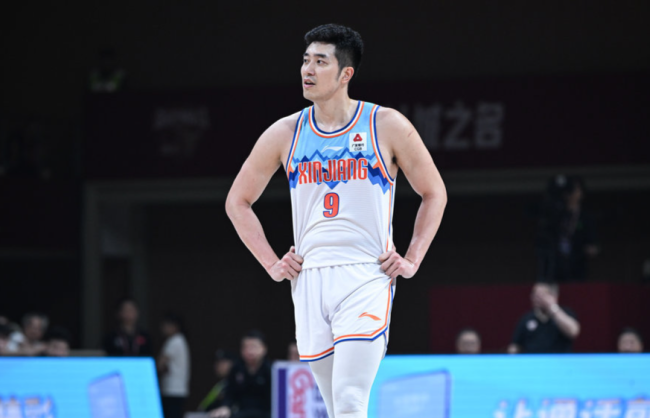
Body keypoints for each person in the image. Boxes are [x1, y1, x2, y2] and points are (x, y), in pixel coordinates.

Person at [225, 24, 447, 418]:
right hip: (309, 278)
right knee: (335, 408)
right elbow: (237, 202)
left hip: (366, 275)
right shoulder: (285, 132)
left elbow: (434, 193)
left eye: (320, 62)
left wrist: (413, 258)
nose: (307, 70)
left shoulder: (385, 124)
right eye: (305, 60)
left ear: (346, 74)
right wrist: (272, 264)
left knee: (349, 401)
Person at [536, 175, 598, 282]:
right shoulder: (556, 216)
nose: (571, 193)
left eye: (575, 189)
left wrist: (587, 249)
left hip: (577, 268)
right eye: (569, 190)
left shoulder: (586, 218)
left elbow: (593, 245)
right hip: (556, 269)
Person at [210, 331, 272, 418]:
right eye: (246, 347)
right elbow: (230, 392)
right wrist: (225, 406)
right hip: (241, 413)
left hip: (265, 414)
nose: (249, 351)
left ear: (264, 349)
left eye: (254, 347)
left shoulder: (271, 370)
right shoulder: (237, 368)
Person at [508, 282, 580, 354]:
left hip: (559, 360)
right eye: (534, 294)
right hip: (533, 360)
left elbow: (573, 332)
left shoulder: (566, 313)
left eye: (541, 295)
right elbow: (515, 345)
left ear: (553, 296)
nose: (536, 298)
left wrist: (553, 308)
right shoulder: (526, 318)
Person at [158, 312, 191, 418]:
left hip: (171, 389)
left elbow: (160, 363)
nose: (163, 328)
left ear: (174, 326)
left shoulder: (174, 341)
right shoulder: (181, 340)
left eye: (165, 325)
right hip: (179, 389)